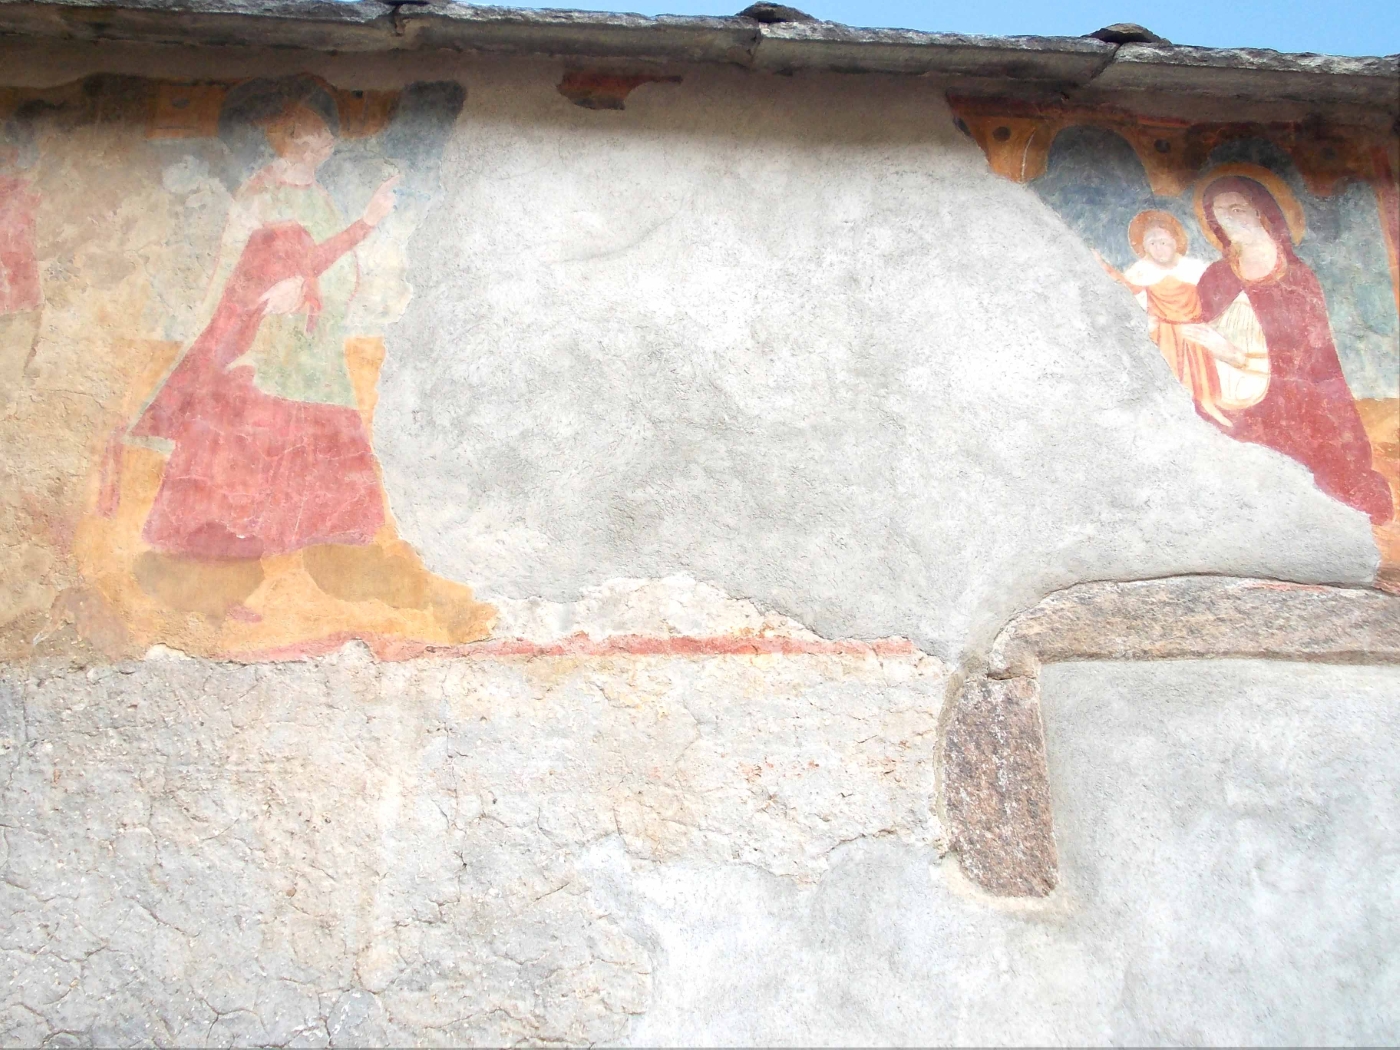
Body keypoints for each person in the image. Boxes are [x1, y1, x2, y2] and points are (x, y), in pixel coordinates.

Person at [1188, 174, 1393, 525]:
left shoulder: (1298, 276)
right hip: (1238, 392)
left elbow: (1315, 356)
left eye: (1237, 208)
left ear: (1260, 211)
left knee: (1330, 461)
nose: (1230, 220)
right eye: (1220, 214)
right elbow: (1199, 339)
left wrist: (1241, 357)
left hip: (1302, 391)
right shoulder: (1215, 277)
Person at [1097, 210, 1230, 425]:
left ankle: (1209, 408)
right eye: (1151, 243)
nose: (1158, 247)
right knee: (1172, 381)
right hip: (1164, 335)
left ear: (1175, 241)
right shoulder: (1140, 272)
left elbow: (1218, 298)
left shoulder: (1196, 267)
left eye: (1163, 241)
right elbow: (1127, 293)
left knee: (1202, 380)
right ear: (1144, 248)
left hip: (1195, 332)